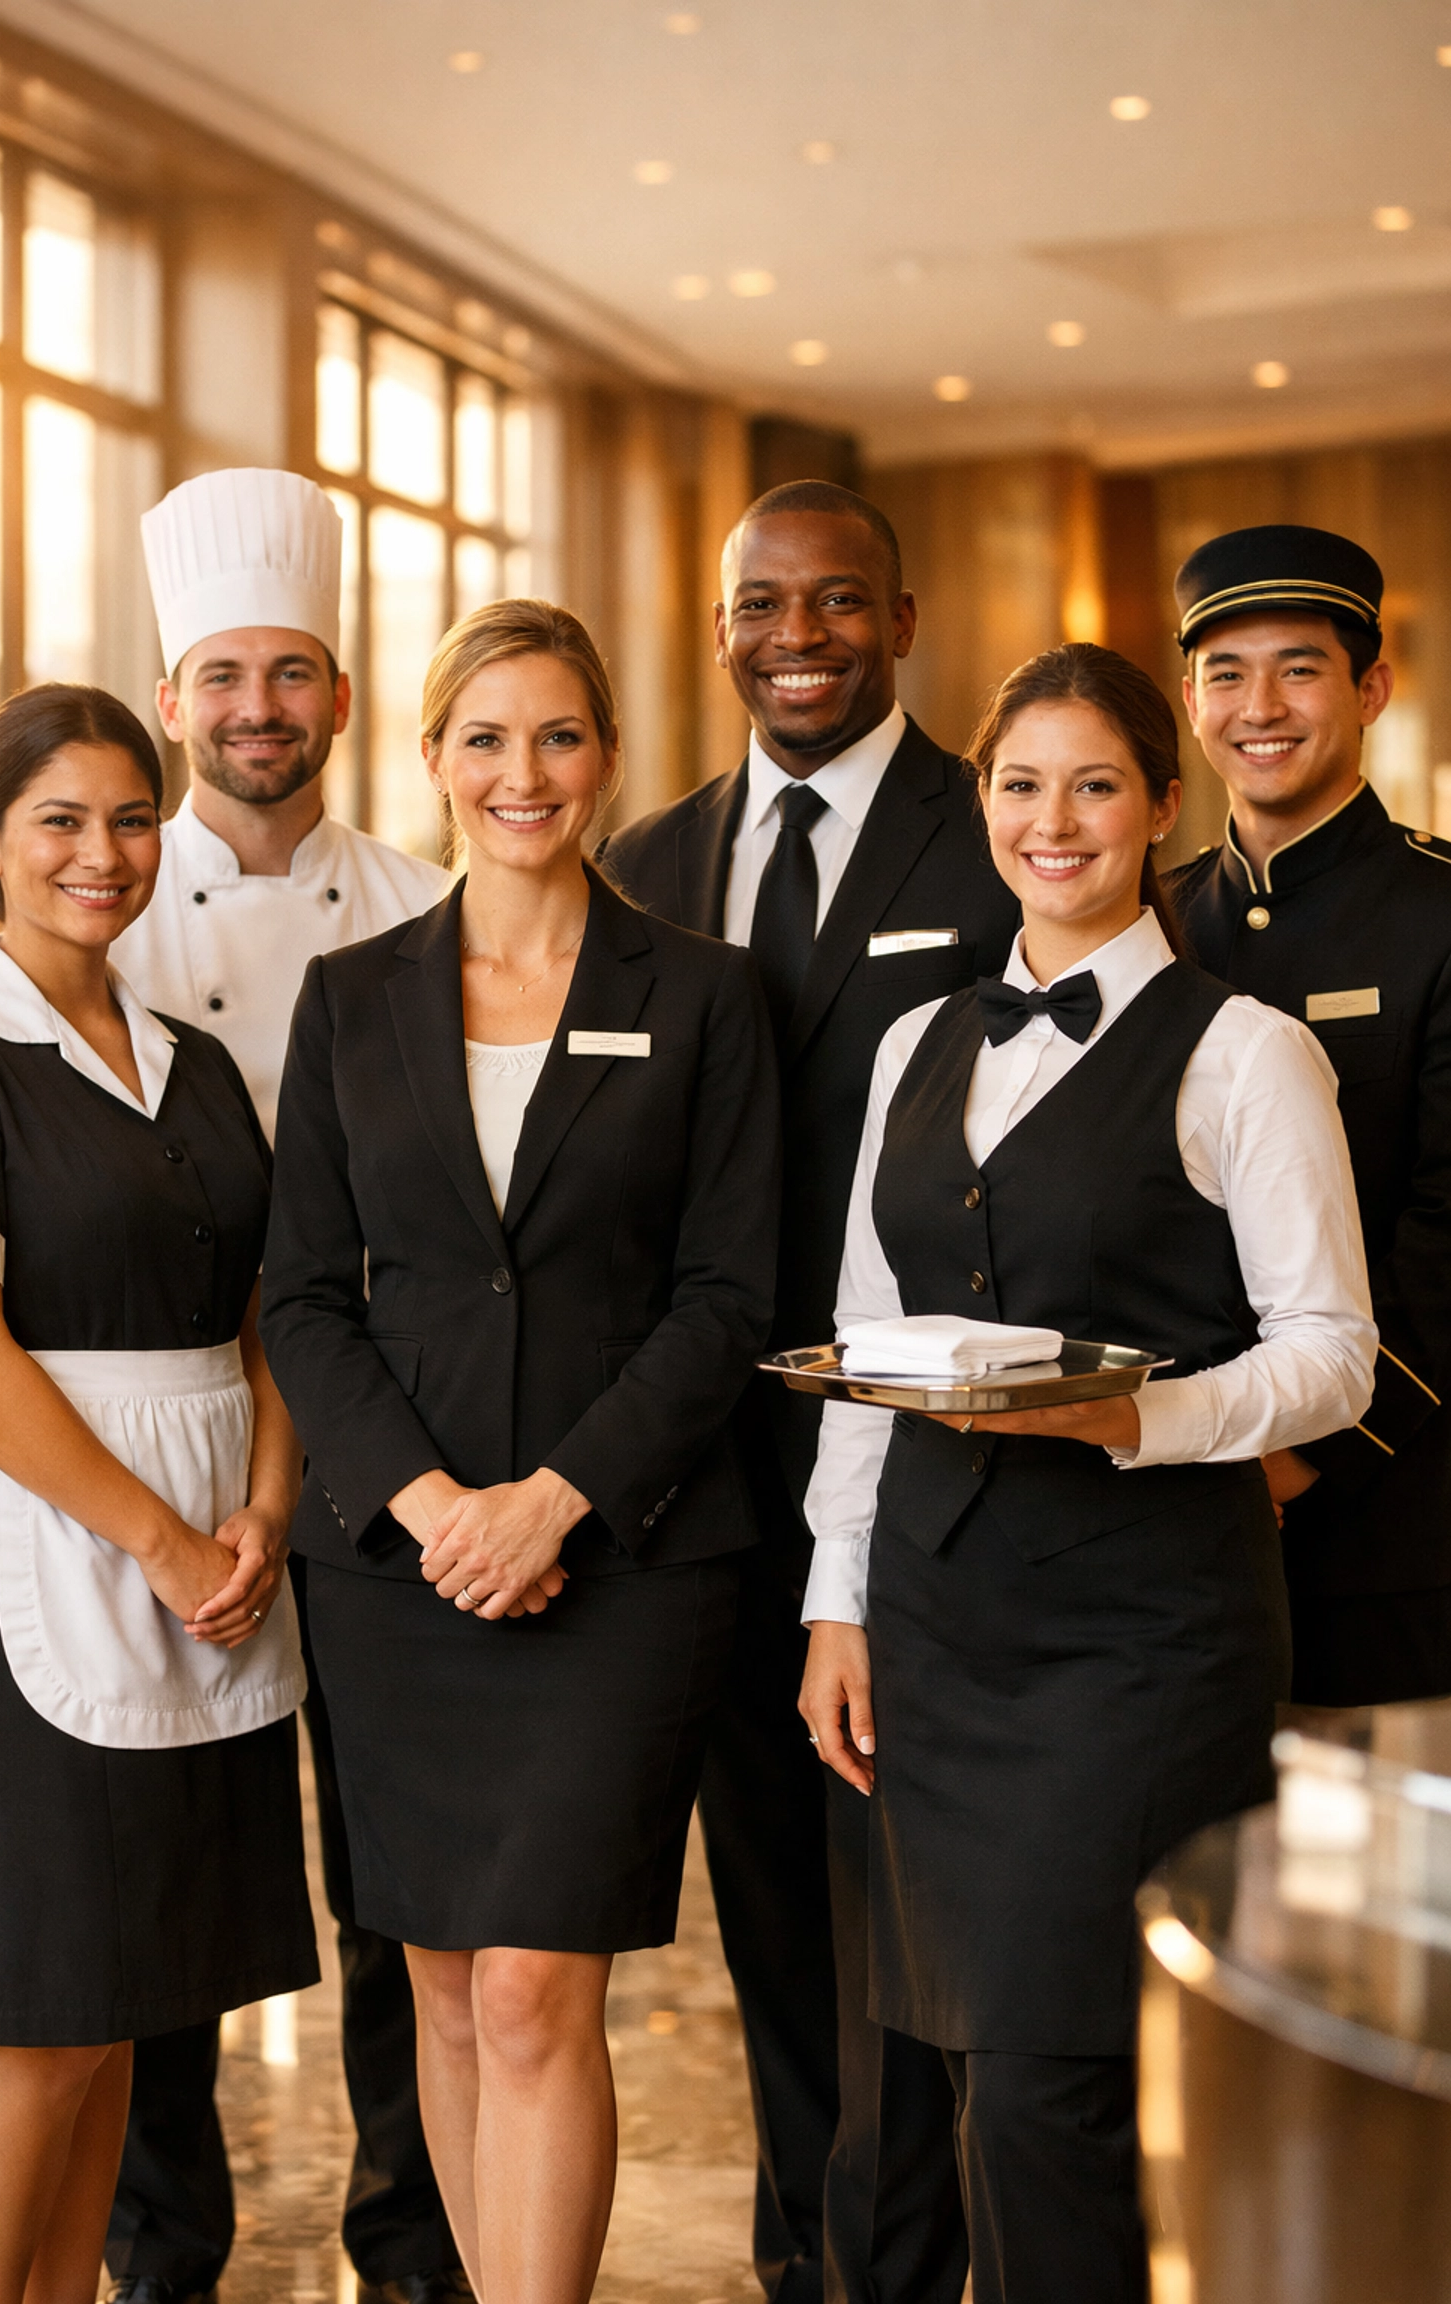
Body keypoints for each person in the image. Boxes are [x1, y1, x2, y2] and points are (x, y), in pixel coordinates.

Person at [798, 641, 1376, 2304]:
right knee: (959, 2073)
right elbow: (866, 1345)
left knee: (1052, 2089)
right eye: (1021, 784)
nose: (1053, 821)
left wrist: (1135, 1418)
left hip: (1142, 1642)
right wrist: (836, 1604)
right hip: (937, 1621)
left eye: (1096, 784)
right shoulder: (914, 1043)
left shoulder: (1245, 1052)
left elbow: (1332, 1354)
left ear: (1161, 804)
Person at [258, 598, 780, 2304]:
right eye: (484, 736)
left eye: (558, 734)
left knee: (534, 1988)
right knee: (438, 1987)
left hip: (621, 1560)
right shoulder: (349, 1001)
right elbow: (305, 1297)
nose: (522, 771)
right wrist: (433, 1511)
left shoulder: (703, 995)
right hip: (396, 1577)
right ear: (430, 758)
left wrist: (554, 1502)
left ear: (608, 755)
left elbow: (730, 1294)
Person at [601, 480, 1018, 2304]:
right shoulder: (646, 857)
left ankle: (905, 2259)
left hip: (922, 1469)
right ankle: (807, 2252)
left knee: (905, 1902)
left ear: (901, 622)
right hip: (701, 1479)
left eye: (838, 601)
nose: (799, 636)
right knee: (767, 1901)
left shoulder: (990, 829)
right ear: (720, 632)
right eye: (763, 604)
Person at [0, 683, 318, 2304]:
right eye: (60, 821)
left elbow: (265, 1316)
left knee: (128, 2010)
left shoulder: (196, 1066)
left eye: (132, 817)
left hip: (213, 1563)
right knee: (42, 2010)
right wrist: (157, 1535)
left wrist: (266, 1509)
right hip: (49, 1559)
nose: (102, 851)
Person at [111, 466, 459, 2304]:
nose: (261, 708)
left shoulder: (433, 906)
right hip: (181, 1454)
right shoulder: (99, 913)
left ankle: (415, 2244)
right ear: (173, 696)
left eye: (293, 671)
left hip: (395, 1446)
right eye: (227, 675)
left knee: (401, 1875)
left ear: (340, 690)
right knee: (165, 1862)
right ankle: (161, 2246)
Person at [1168, 523, 1451, 1706]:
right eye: (1226, 673)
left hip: (1391, 1527)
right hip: (1168, 1522)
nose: (1260, 707)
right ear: (1191, 702)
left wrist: (1299, 1457)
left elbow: (1445, 1240)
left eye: (1300, 669)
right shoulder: (1153, 923)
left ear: (1371, 688)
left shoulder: (1438, 914)